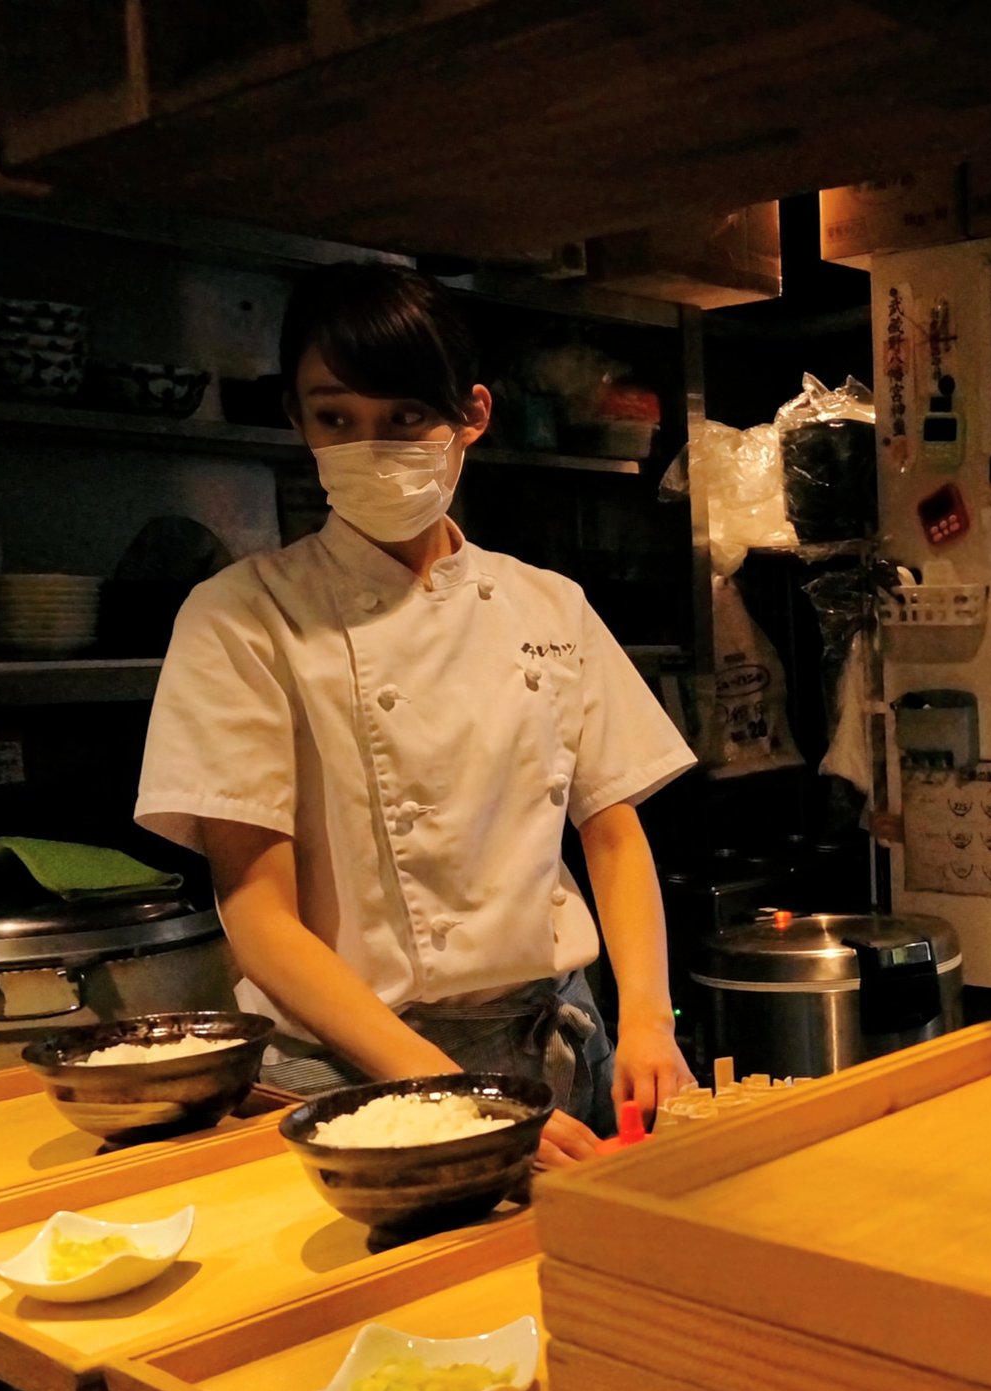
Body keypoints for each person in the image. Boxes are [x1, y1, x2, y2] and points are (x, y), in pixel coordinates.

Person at [135, 263, 698, 1167]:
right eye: (335, 418)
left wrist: (646, 1019)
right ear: (297, 420)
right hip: (352, 1077)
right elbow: (259, 917)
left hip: (558, 1046)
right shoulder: (242, 615)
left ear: (470, 414)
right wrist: (462, 1098)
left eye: (404, 416)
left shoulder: (548, 606)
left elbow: (613, 833)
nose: (371, 445)